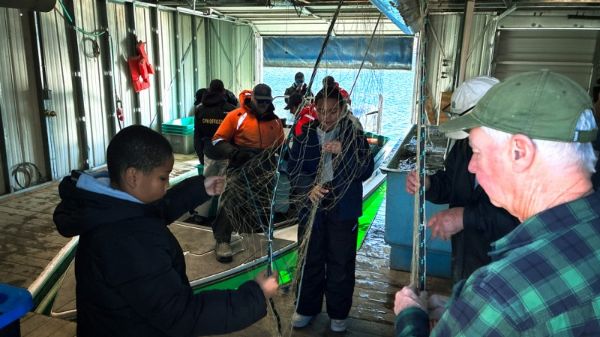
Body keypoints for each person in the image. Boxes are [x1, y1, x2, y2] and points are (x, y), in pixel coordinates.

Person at [394, 70, 600, 336]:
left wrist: (410, 316)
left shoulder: (498, 291)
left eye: (478, 151)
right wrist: (463, 314)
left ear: (519, 152)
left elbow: (505, 306)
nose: (471, 165)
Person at [53, 125, 279, 337]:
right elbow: (180, 314)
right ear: (133, 176)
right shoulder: (129, 241)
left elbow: (151, 211)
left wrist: (200, 188)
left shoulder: (108, 205)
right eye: (163, 177)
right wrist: (255, 295)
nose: (167, 184)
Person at [405, 76, 519, 283]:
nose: (473, 165)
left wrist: (466, 217)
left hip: (505, 270)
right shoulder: (464, 144)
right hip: (466, 257)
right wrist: (429, 184)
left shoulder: (519, 156)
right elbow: (450, 183)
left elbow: (522, 220)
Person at [288, 87, 374, 332]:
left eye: (333, 111)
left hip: (343, 209)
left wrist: (344, 150)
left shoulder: (354, 134)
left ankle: (338, 313)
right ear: (314, 109)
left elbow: (365, 170)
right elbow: (293, 170)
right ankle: (306, 308)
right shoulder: (304, 134)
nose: (327, 117)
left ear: (343, 108)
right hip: (312, 208)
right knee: (309, 258)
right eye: (322, 111)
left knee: (341, 261)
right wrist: (308, 189)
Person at [208, 83, 285, 262]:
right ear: (253, 99)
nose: (264, 105)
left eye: (267, 102)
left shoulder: (275, 121)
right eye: (260, 101)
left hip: (265, 168)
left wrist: (278, 158)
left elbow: (281, 147)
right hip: (240, 165)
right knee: (231, 199)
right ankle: (222, 240)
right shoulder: (236, 116)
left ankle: (258, 237)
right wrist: (234, 152)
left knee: (265, 203)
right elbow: (217, 140)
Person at [193, 79, 236, 168]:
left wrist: (201, 157)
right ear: (224, 91)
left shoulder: (199, 110)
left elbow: (197, 136)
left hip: (208, 153)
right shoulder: (232, 110)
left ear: (209, 90)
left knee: (211, 181)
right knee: (228, 181)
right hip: (228, 154)